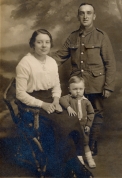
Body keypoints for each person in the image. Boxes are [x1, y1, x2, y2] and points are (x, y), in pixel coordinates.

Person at [15, 29, 94, 178]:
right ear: (33, 44)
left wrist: (57, 100)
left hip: (51, 100)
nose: (43, 46)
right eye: (39, 42)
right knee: (59, 126)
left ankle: (76, 164)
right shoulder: (25, 63)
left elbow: (56, 85)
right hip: (32, 105)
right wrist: (43, 105)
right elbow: (20, 94)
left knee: (72, 119)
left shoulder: (51, 62)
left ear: (50, 44)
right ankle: (69, 169)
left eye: (47, 42)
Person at [52, 3, 116, 156]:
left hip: (97, 85)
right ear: (78, 16)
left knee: (96, 114)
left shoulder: (101, 36)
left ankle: (92, 144)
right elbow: (59, 56)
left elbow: (110, 63)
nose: (85, 16)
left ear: (94, 16)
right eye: (82, 13)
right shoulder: (73, 36)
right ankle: (81, 145)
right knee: (76, 114)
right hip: (77, 86)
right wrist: (40, 63)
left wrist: (108, 87)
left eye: (89, 13)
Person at [60, 76, 96, 168]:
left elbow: (91, 113)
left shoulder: (86, 101)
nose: (78, 91)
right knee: (76, 143)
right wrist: (68, 107)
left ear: (84, 89)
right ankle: (79, 162)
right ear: (69, 89)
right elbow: (61, 99)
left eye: (80, 89)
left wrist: (88, 125)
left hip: (83, 126)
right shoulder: (68, 98)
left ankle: (89, 158)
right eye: (75, 89)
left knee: (85, 142)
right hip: (73, 126)